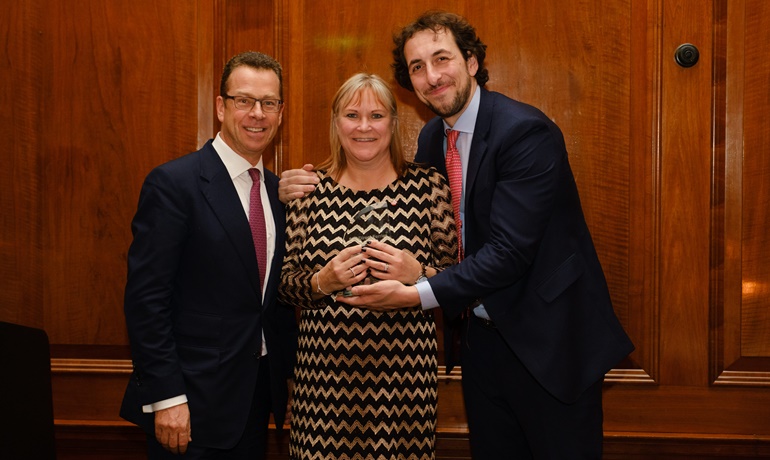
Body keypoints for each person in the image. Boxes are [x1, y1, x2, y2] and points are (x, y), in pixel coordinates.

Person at [279, 11, 635, 459]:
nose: (431, 76)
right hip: (480, 343)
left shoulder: (524, 131)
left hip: (548, 340)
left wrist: (417, 289)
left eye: (440, 58)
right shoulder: (433, 139)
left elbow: (508, 252)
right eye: (417, 67)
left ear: (471, 61)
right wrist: (283, 189)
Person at [120, 51, 297, 460]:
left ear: (281, 112)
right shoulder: (174, 184)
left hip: (256, 401)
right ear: (221, 107)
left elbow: (271, 302)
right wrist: (167, 397)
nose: (257, 114)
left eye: (269, 103)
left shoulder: (276, 192)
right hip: (190, 406)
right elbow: (146, 301)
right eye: (244, 101)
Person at [278, 72, 457, 460]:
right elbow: (283, 285)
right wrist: (322, 281)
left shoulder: (428, 187)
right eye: (351, 115)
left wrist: (418, 275)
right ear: (335, 123)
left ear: (393, 123)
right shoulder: (307, 190)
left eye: (376, 116)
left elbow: (458, 281)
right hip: (323, 384)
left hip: (404, 384)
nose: (364, 127)